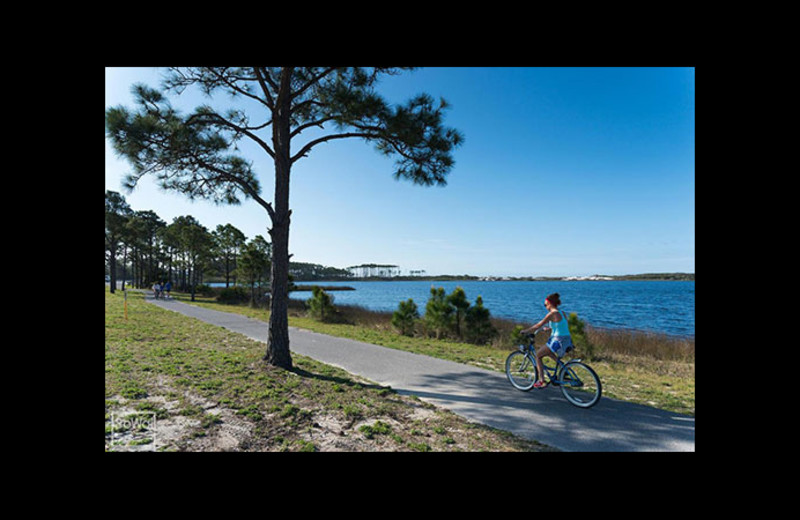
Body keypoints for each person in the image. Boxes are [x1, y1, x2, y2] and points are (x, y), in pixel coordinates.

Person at [520, 292, 573, 389]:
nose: (545, 307)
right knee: (548, 352)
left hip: (558, 340)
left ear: (550, 304)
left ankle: (541, 381)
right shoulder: (562, 313)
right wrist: (550, 329)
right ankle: (564, 369)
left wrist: (526, 331)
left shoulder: (551, 314)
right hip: (567, 339)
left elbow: (538, 325)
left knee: (538, 355)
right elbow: (562, 326)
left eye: (545, 305)